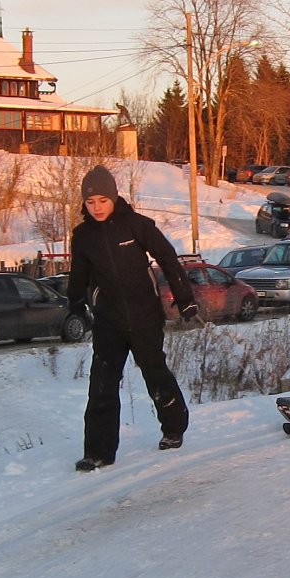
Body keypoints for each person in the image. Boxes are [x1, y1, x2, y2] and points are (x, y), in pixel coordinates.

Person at [67, 164, 199, 471]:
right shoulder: (83, 236)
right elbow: (78, 275)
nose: (97, 207)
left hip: (144, 316)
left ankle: (173, 427)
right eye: (90, 202)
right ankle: (98, 451)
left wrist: (185, 300)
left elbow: (167, 258)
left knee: (155, 373)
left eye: (102, 200)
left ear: (114, 197)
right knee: (101, 383)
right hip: (108, 321)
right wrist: (75, 304)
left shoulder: (137, 225)